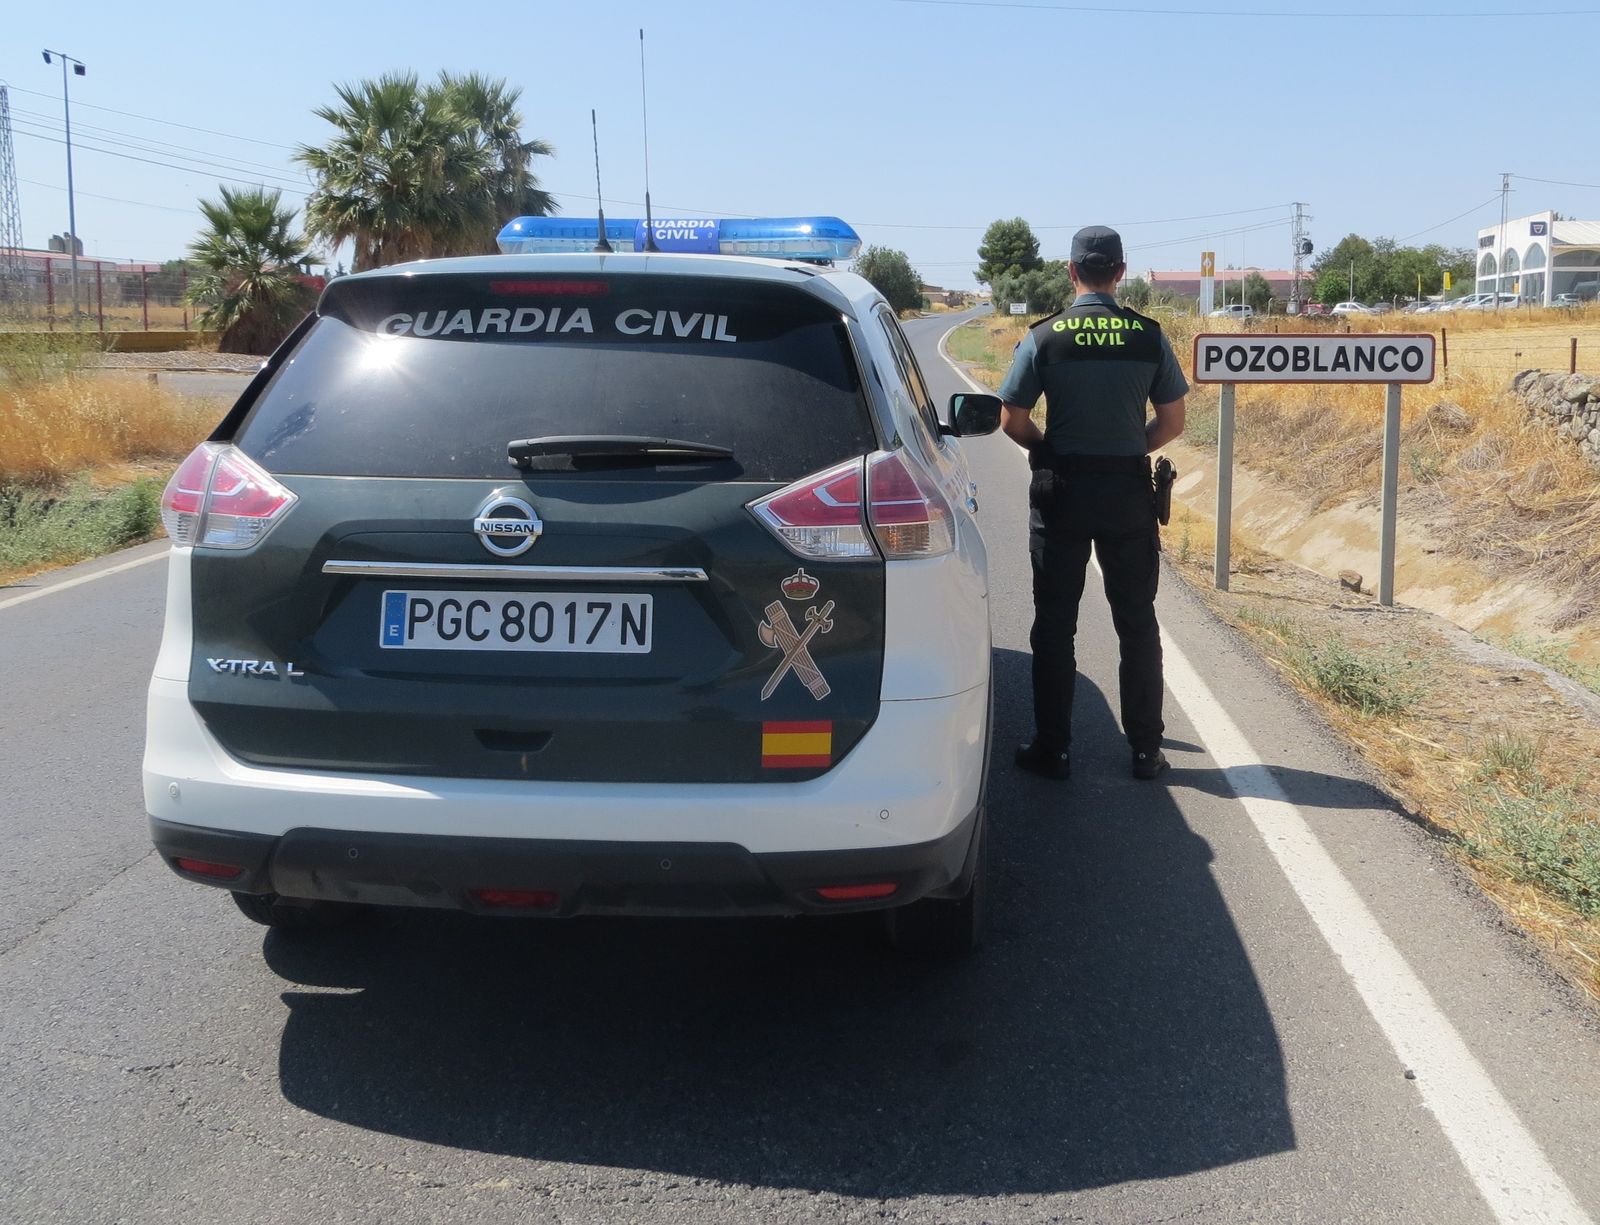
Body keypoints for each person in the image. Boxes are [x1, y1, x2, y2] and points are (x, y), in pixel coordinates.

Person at [996, 225, 1188, 781]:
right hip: (1129, 495)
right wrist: (1130, 451)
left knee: (1055, 625)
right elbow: (1173, 422)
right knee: (1137, 622)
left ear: (1071, 271)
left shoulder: (1045, 338)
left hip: (1062, 497)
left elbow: (1013, 419)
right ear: (1121, 272)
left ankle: (1053, 749)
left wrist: (1050, 451)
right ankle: (1146, 750)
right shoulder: (1147, 336)